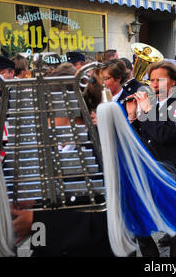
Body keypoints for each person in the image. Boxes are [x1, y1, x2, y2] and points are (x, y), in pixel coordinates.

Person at [10, 64, 114, 257]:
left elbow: (105, 217)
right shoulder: (46, 146)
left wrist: (36, 220)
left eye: (45, 111)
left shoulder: (102, 147)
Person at [125, 61, 176, 257]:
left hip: (173, 174)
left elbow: (163, 136)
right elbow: (142, 139)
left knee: (174, 234)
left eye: (160, 80)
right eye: (152, 80)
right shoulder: (153, 104)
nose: (154, 85)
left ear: (173, 81)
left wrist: (147, 112)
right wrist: (132, 118)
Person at [90, 59, 129, 125]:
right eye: (101, 79)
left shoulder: (128, 102)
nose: (103, 83)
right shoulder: (96, 100)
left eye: (106, 79)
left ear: (119, 78)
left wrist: (102, 122)